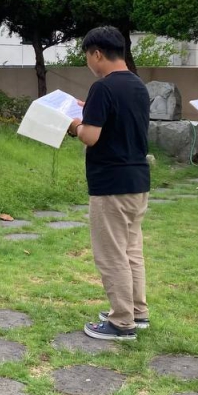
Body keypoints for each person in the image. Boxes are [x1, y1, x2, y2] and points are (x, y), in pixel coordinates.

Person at [67, 26, 151, 342]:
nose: (89, 63)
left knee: (111, 254)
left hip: (111, 184)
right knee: (131, 250)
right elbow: (119, 121)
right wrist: (89, 110)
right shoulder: (137, 85)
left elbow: (90, 136)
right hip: (137, 180)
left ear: (97, 54)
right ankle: (137, 312)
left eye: (88, 57)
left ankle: (121, 322)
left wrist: (74, 125)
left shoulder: (103, 87)